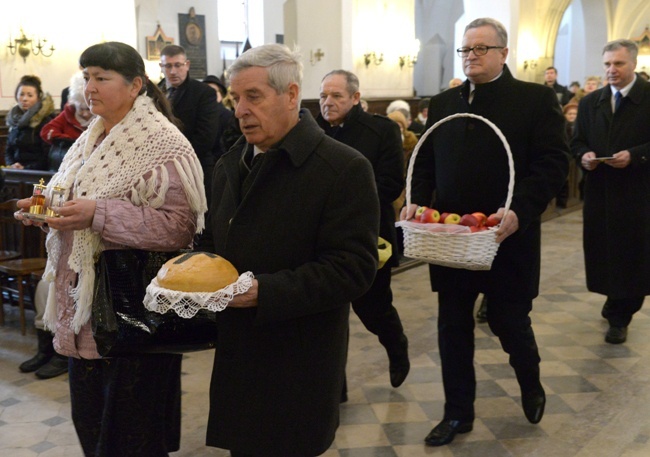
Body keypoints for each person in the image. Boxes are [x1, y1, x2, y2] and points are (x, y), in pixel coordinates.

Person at [15, 41, 207, 456]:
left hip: (131, 312)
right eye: (87, 78)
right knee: (92, 426)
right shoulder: (92, 137)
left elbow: (179, 229)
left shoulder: (164, 144)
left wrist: (98, 215)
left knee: (133, 437)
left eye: (102, 77)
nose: (91, 87)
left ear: (136, 84)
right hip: (83, 312)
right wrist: (44, 208)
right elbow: (74, 199)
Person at [199, 44, 379, 456]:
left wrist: (265, 291)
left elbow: (353, 267)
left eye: (254, 97)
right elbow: (214, 240)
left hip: (298, 359)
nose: (240, 109)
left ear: (292, 95)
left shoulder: (342, 168)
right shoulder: (230, 164)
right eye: (235, 98)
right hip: (239, 355)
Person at [401, 17, 568, 446]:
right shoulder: (443, 104)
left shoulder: (534, 100)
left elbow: (550, 166)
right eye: (465, 49)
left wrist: (519, 211)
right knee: (452, 327)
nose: (470, 56)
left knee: (509, 321)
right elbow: (423, 165)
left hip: (507, 238)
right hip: (453, 240)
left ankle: (530, 382)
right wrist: (417, 200)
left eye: (480, 49)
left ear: (503, 54)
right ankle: (458, 413)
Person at [317, 70, 409, 391]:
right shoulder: (312, 130)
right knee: (329, 315)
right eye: (324, 96)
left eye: (337, 96)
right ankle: (335, 388)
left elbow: (391, 183)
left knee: (373, 308)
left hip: (368, 234)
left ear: (356, 98)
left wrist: (340, 203)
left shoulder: (381, 130)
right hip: (322, 238)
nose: (328, 103)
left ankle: (397, 347)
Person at [572, 39, 650, 345]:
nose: (611, 70)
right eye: (607, 64)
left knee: (633, 255)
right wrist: (585, 156)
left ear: (633, 65)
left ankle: (621, 315)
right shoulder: (592, 102)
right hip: (600, 191)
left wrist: (635, 155)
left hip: (638, 192)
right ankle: (614, 299)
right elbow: (577, 141)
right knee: (604, 251)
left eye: (618, 64)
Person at [159, 45, 219, 196]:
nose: (173, 71)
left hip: (194, 166)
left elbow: (206, 136)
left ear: (187, 65)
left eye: (178, 65)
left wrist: (176, 160)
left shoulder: (203, 93)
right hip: (160, 169)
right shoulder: (156, 91)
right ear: (161, 67)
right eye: (168, 66)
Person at [40, 72, 95, 171]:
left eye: (88, 109)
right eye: (81, 109)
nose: (85, 114)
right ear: (74, 104)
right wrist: (69, 140)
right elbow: (46, 131)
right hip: (69, 165)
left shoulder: (103, 116)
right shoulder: (68, 113)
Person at [5, 75, 55, 170]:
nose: (25, 99)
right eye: (21, 94)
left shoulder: (44, 121)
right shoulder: (14, 119)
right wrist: (12, 164)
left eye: (30, 95)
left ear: (38, 98)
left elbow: (48, 155)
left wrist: (26, 168)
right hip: (15, 172)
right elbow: (8, 150)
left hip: (37, 173)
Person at [203, 75, 236, 163]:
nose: (209, 95)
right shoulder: (199, 115)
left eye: (213, 91)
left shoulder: (228, 116)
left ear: (221, 95)